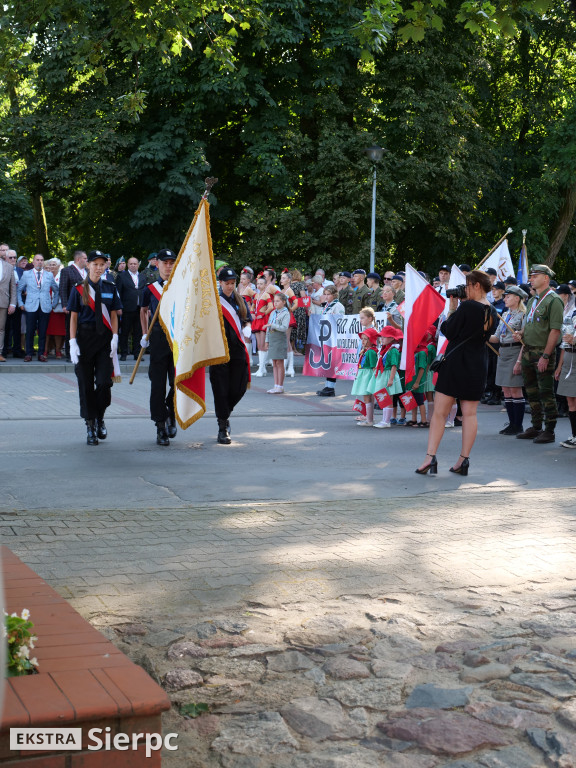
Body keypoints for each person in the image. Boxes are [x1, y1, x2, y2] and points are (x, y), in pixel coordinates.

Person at [416, 270, 498, 476]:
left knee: (440, 413)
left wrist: (452, 310)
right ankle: (463, 460)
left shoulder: (468, 307)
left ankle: (430, 457)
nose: (465, 290)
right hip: (478, 363)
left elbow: (448, 330)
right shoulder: (493, 311)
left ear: (477, 286)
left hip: (456, 363)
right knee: (469, 414)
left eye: (468, 286)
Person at [67, 250, 121, 445]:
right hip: (84, 339)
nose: (99, 268)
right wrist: (72, 342)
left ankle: (100, 416)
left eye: (102, 264)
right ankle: (90, 424)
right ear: (87, 265)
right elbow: (73, 317)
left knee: (105, 383)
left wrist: (115, 336)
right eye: (95, 264)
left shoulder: (110, 287)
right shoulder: (78, 289)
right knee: (86, 384)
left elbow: (114, 314)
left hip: (104, 341)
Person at [513, 264, 564, 444]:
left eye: (536, 276)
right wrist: (522, 333)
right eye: (532, 276)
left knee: (545, 392)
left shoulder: (554, 300)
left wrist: (546, 356)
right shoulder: (533, 300)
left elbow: (555, 331)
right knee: (531, 391)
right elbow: (531, 323)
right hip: (528, 349)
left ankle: (549, 430)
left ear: (546, 279)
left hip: (543, 352)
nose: (531, 278)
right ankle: (536, 426)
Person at [140, 249, 178, 446]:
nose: (168, 266)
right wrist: (144, 333)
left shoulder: (181, 288)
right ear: (158, 264)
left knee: (177, 383)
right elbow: (144, 310)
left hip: (177, 342)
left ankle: (171, 412)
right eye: (165, 262)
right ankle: (160, 426)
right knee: (157, 385)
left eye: (172, 262)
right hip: (157, 340)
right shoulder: (150, 289)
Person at [209, 267, 251, 444]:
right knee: (220, 389)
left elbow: (247, 318)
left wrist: (248, 327)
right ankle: (222, 426)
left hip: (237, 350)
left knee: (239, 387)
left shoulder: (239, 300)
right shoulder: (213, 301)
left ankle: (225, 413)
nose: (229, 286)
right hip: (218, 350)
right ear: (220, 283)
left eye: (232, 283)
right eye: (227, 283)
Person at [488, 285, 527, 435]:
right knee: (506, 389)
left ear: (517, 298)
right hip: (503, 351)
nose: (505, 299)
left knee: (515, 389)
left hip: (515, 351)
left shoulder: (523, 315)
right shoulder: (505, 315)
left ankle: (518, 425)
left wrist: (519, 361)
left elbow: (525, 340)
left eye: (508, 296)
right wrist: (483, 335)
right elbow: (496, 337)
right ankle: (512, 423)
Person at [18, 253, 59, 361]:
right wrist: (20, 304)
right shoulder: (27, 274)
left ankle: (41, 354)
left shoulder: (49, 275)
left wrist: (53, 304)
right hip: (31, 306)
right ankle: (29, 353)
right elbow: (18, 290)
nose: (40, 262)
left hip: (45, 306)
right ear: (33, 262)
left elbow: (56, 290)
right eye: (37, 260)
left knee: (43, 331)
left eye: (41, 260)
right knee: (30, 330)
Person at [370, 326, 403, 428]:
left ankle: (387, 421)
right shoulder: (385, 349)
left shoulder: (393, 350)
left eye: (384, 337)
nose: (382, 339)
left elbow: (394, 365)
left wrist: (391, 379)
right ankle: (384, 420)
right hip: (383, 374)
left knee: (388, 398)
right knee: (384, 398)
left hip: (388, 374)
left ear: (392, 338)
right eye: (381, 337)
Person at [316, 285, 345, 397]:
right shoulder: (327, 305)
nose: (326, 296)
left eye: (329, 294)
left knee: (332, 363)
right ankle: (328, 386)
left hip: (334, 337)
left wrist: (335, 317)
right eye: (325, 294)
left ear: (334, 295)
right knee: (328, 362)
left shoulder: (338, 305)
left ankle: (331, 387)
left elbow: (341, 320)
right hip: (326, 337)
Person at [60, 250, 88, 361]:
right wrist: (65, 304)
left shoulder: (87, 271)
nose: (87, 261)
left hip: (86, 306)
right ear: (78, 259)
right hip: (73, 305)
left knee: (84, 329)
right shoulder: (67, 271)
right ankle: (69, 353)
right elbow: (63, 289)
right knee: (71, 329)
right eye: (85, 258)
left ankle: (82, 351)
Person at [116, 256, 146, 360]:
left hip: (140, 309)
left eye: (135, 264)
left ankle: (137, 353)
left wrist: (147, 307)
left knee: (138, 332)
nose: (133, 265)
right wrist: (118, 307)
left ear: (138, 265)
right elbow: (118, 293)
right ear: (128, 265)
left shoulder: (142, 276)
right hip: (126, 308)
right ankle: (124, 353)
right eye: (131, 264)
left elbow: (145, 292)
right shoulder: (122, 276)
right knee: (125, 331)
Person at [555, 303, 576, 448]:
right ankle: (574, 436)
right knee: (571, 400)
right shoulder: (572, 313)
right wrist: (560, 366)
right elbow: (564, 343)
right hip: (569, 357)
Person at [351, 327, 379, 426]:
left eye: (365, 339)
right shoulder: (366, 350)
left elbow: (373, 367)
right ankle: (369, 418)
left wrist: (374, 379)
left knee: (367, 397)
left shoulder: (371, 351)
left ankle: (369, 420)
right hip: (364, 374)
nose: (362, 341)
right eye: (362, 339)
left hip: (367, 376)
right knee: (367, 397)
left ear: (371, 340)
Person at [265, 292, 290, 393]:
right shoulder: (273, 312)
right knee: (274, 363)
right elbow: (268, 328)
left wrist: (273, 325)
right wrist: (267, 340)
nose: (275, 303)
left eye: (278, 301)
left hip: (280, 339)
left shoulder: (286, 313)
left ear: (284, 302)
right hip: (272, 338)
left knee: (280, 363)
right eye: (274, 301)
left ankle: (280, 385)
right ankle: (276, 385)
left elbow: (284, 328)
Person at [251, 274, 273, 377]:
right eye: (258, 284)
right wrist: (251, 312)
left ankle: (261, 368)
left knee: (263, 344)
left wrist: (263, 314)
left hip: (263, 320)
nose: (259, 285)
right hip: (257, 320)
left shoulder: (266, 295)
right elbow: (253, 306)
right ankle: (262, 369)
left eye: (261, 284)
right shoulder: (256, 295)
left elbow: (271, 306)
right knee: (259, 345)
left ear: (265, 285)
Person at [44, 258, 65, 358]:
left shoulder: (62, 276)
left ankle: (58, 350)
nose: (52, 266)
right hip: (45, 305)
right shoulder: (45, 275)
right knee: (46, 330)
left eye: (54, 264)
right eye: (50, 264)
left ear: (58, 266)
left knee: (58, 331)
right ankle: (45, 350)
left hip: (58, 307)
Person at [0, 249, 17, 362]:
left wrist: (13, 303)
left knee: (1, 329)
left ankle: (0, 352)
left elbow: (13, 288)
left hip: (4, 301)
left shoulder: (9, 266)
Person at [279, 270, 296, 376]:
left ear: (289, 280)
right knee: (285, 341)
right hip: (281, 317)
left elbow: (297, 302)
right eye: (281, 278)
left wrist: (289, 311)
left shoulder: (289, 290)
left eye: (284, 278)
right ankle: (287, 367)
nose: (282, 280)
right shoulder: (282, 290)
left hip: (287, 317)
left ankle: (290, 367)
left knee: (286, 340)